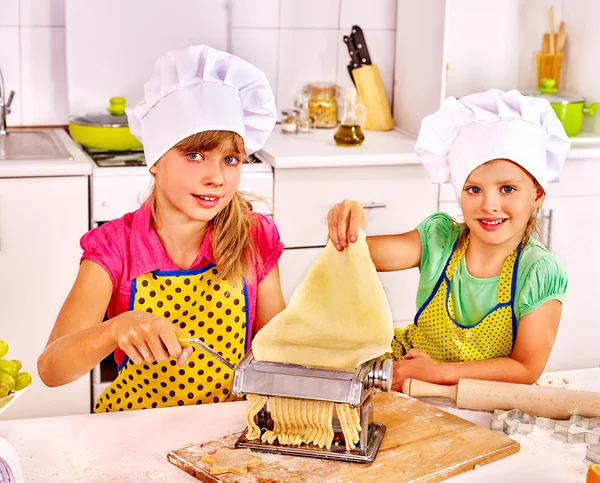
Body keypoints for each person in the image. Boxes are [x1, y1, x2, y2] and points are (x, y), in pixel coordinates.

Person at [38, 45, 285, 411]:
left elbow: (280, 350)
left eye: (230, 159)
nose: (216, 177)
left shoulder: (253, 236)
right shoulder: (114, 247)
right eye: (194, 155)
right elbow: (52, 369)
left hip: (229, 430)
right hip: (134, 432)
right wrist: (114, 330)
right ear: (155, 160)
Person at [326, 89, 570, 390]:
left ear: (537, 195)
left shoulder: (538, 270)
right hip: (407, 381)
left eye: (507, 189)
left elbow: (525, 368)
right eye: (473, 189)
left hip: (481, 401)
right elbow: (358, 254)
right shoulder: (439, 240)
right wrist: (351, 222)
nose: (489, 204)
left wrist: (436, 372)